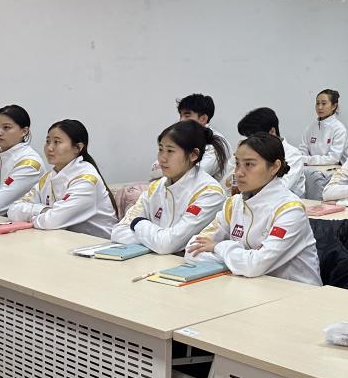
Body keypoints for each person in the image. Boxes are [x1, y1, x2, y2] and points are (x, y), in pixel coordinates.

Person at [186, 133, 321, 283]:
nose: (238, 173)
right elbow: (191, 250)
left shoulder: (290, 209)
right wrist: (239, 263)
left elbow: (255, 266)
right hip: (249, 285)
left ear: (275, 167)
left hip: (295, 292)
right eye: (237, 163)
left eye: (249, 164)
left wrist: (219, 247)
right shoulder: (234, 203)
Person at [111, 120, 226, 252]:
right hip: (153, 259)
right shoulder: (156, 187)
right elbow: (118, 232)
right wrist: (155, 241)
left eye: (170, 151)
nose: (162, 158)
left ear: (193, 155)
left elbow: (167, 244)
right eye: (160, 150)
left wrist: (139, 223)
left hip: (184, 262)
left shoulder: (209, 193)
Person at [8, 120, 118, 238]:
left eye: (57, 142)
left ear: (78, 148)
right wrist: (44, 210)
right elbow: (13, 210)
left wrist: (35, 215)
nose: (49, 148)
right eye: (48, 141)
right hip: (64, 240)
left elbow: (51, 222)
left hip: (98, 244)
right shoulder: (48, 177)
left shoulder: (87, 180)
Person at [223, 107, 305, 198]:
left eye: (255, 137)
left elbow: (280, 188)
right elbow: (226, 184)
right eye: (248, 137)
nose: (251, 142)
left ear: (272, 132)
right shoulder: (248, 152)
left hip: (283, 203)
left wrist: (239, 181)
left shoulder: (293, 155)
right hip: (251, 201)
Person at [161, 93, 231, 182]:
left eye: (187, 116)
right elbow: (155, 168)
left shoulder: (217, 143)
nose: (181, 120)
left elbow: (191, 175)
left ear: (203, 119)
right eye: (181, 116)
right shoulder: (183, 137)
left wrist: (167, 168)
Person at [300, 89, 348, 165]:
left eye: (324, 103)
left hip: (334, 169)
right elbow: (302, 150)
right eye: (317, 103)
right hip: (310, 168)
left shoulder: (339, 129)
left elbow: (333, 159)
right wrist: (304, 159)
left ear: (334, 106)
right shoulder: (310, 128)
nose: (320, 107)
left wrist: (307, 160)